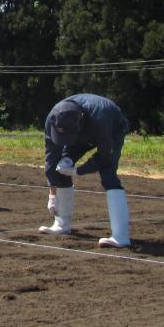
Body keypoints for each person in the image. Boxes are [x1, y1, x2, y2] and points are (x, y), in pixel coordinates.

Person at [39, 94, 131, 248]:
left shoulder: (101, 118)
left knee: (108, 173)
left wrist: (78, 171)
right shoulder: (52, 119)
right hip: (84, 131)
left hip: (112, 130)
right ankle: (62, 224)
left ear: (80, 122)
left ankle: (121, 236)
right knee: (60, 166)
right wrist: (52, 195)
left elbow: (104, 157)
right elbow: (50, 159)